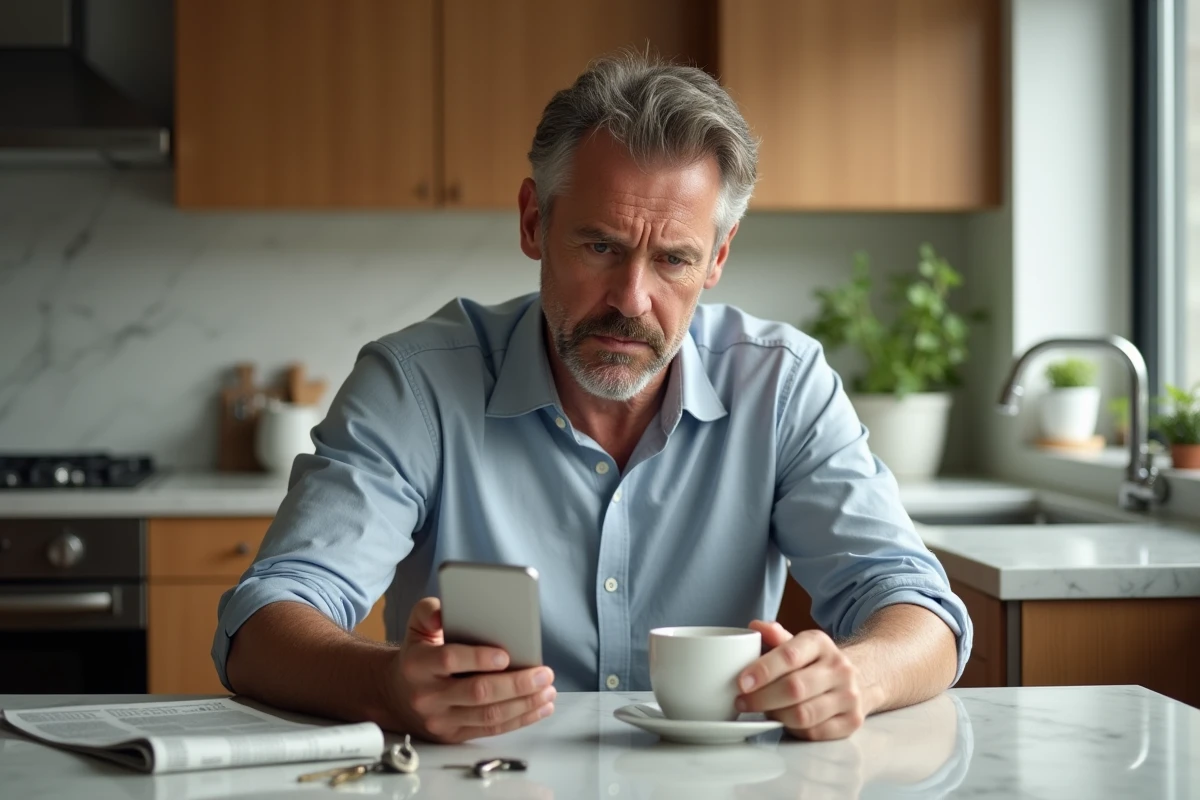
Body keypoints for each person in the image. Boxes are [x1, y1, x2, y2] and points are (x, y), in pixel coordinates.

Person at [214, 52, 972, 745]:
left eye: (673, 259)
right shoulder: (415, 385)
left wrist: (858, 676)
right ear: (533, 221)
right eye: (601, 246)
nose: (631, 300)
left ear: (717, 257)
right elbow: (263, 619)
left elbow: (919, 607)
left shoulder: (783, 386)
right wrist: (387, 685)